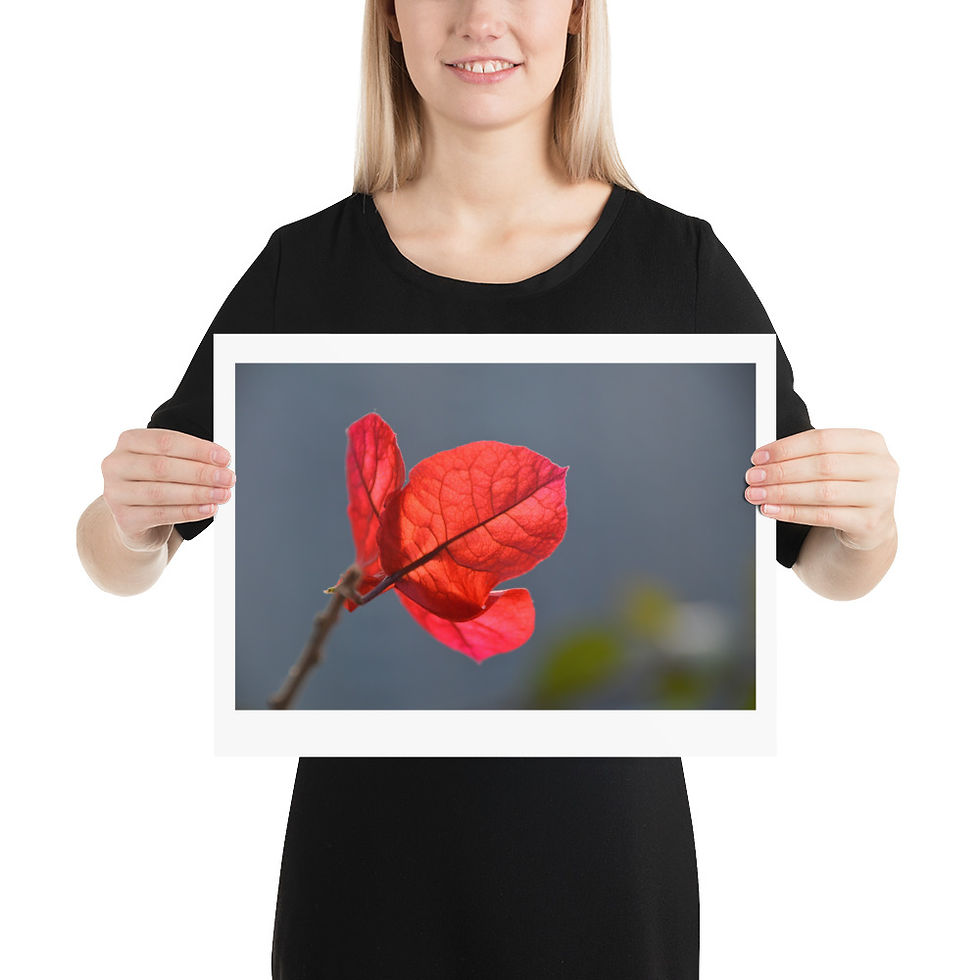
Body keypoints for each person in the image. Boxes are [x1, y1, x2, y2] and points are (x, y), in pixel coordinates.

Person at [76, 0, 899, 976]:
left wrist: (865, 518)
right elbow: (122, 553)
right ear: (388, 19)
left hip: (603, 872)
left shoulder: (675, 268)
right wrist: (129, 520)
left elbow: (824, 560)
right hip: (366, 873)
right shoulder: (309, 269)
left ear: (577, 18)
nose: (481, 18)